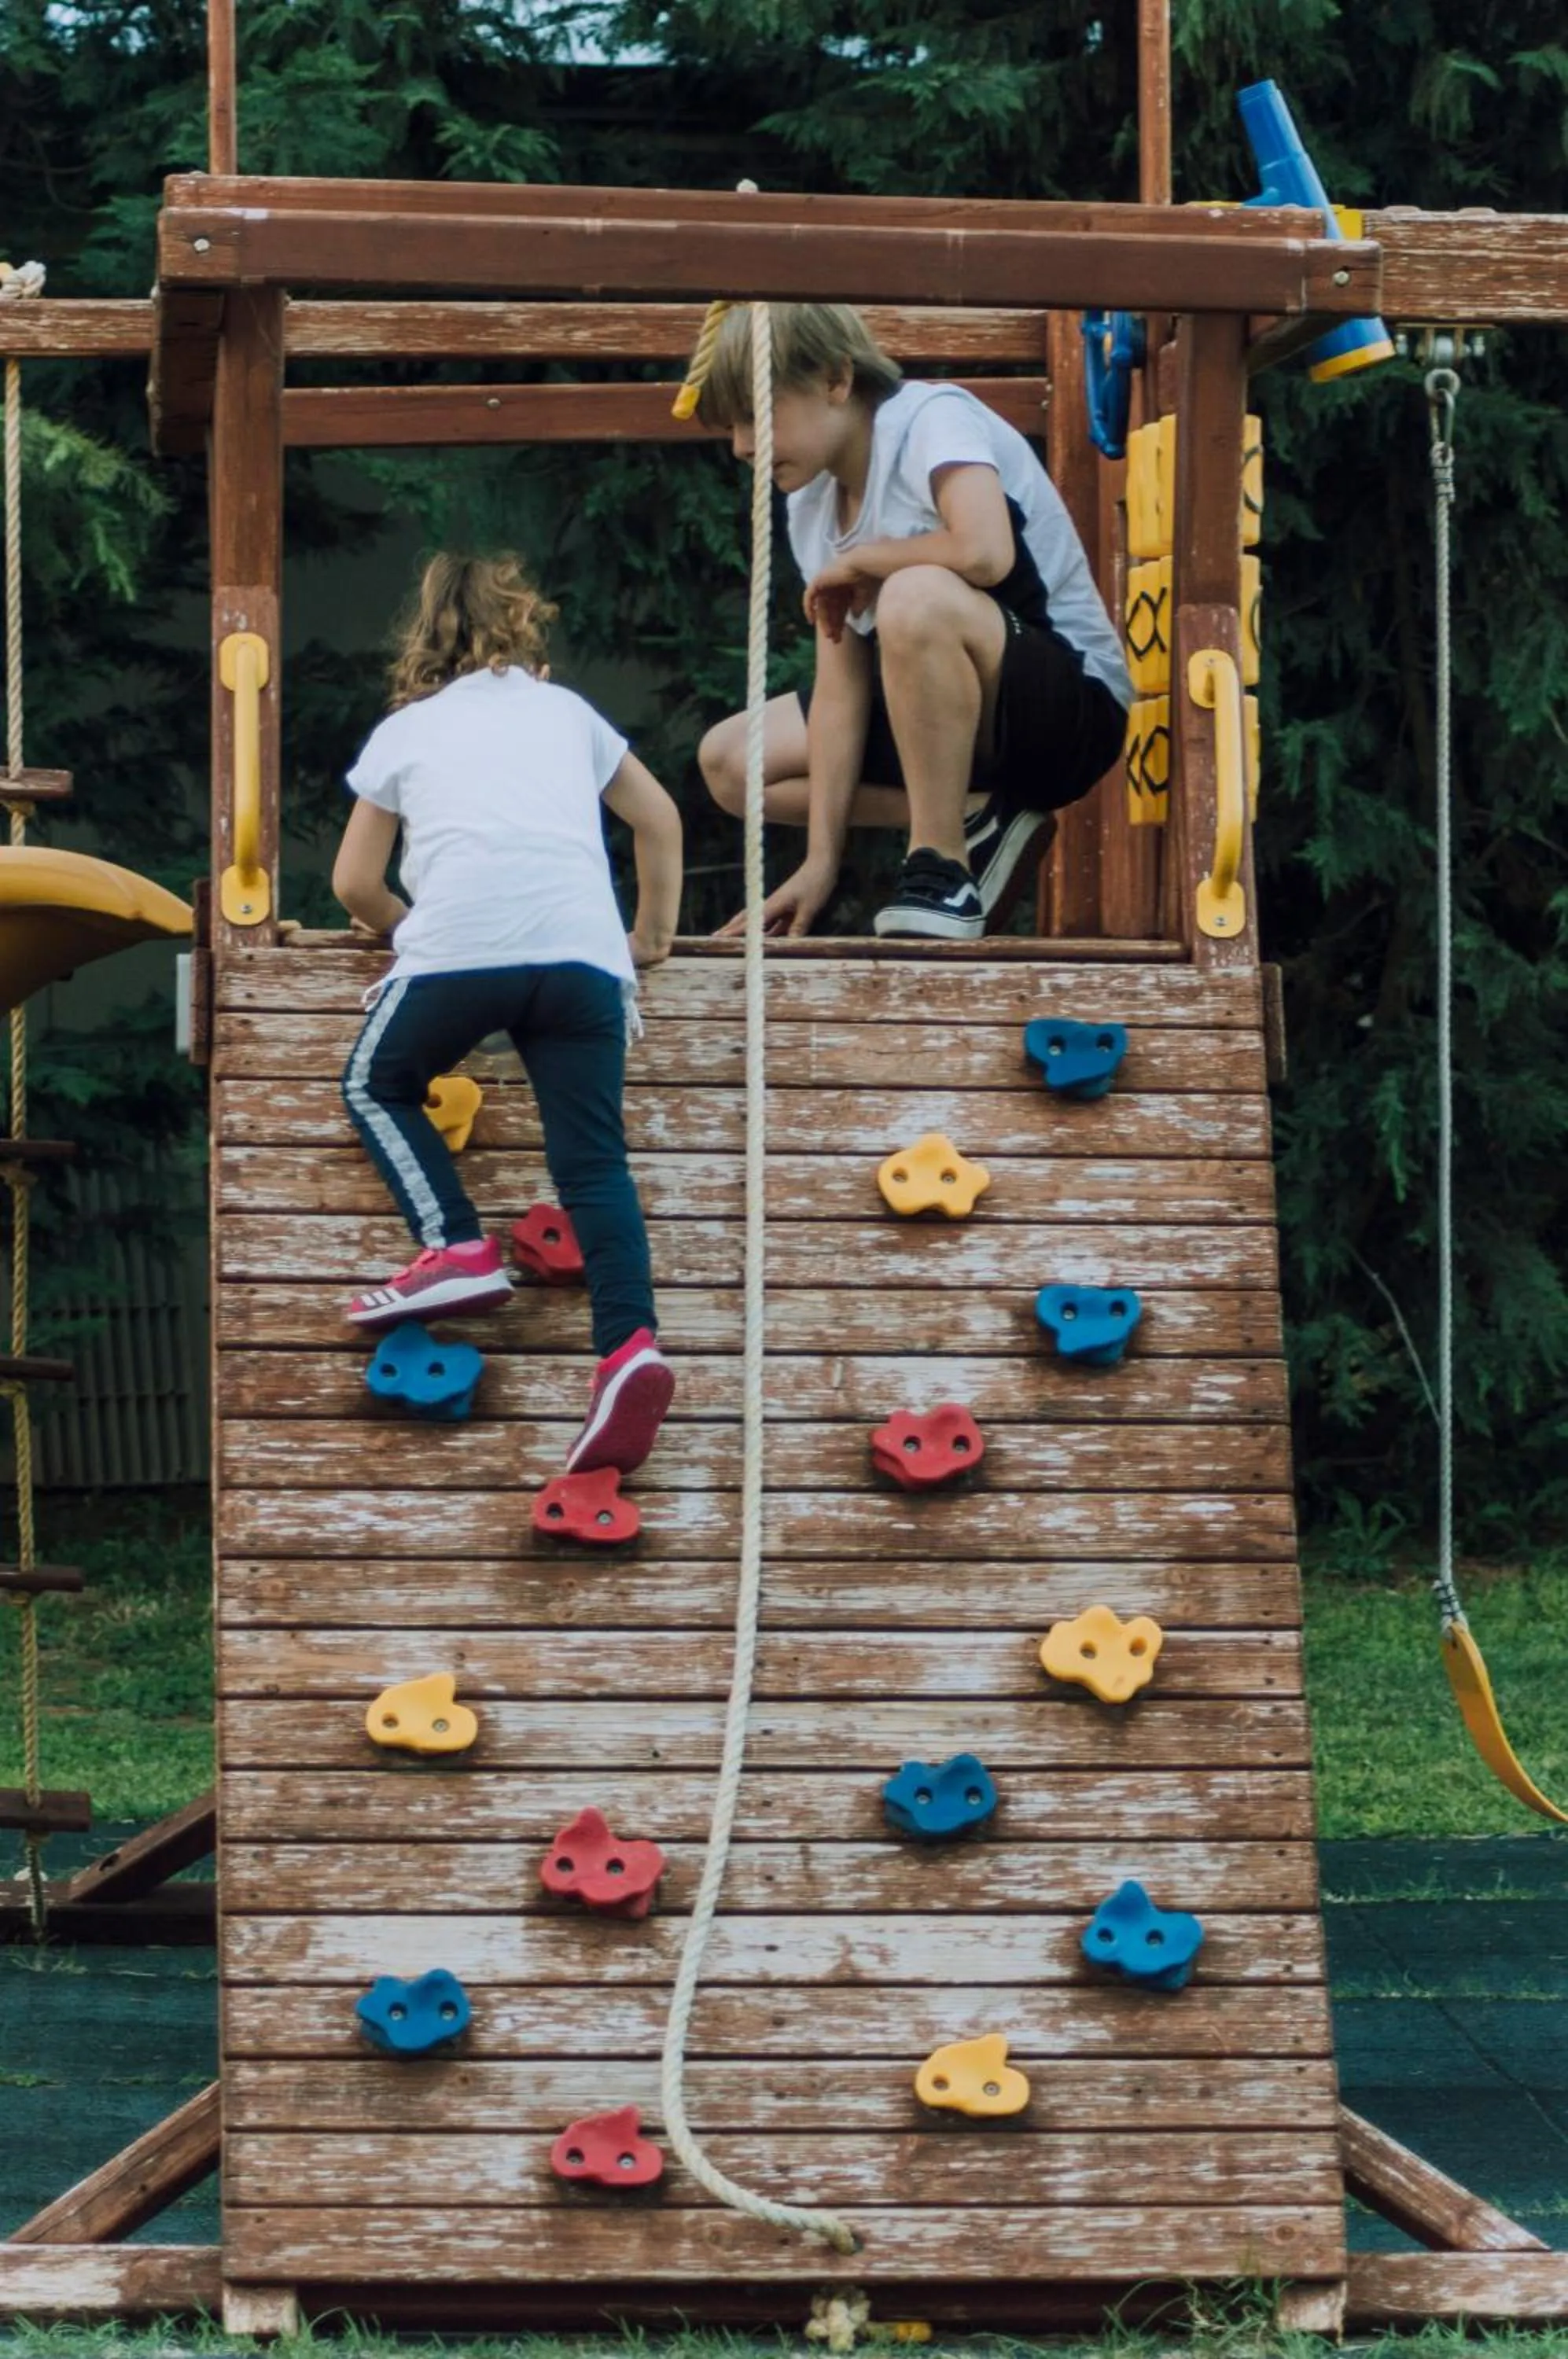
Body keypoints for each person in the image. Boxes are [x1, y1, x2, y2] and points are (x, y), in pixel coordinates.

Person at [331, 552, 683, 1478]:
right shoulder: (567, 712)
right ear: (528, 639)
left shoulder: (407, 729)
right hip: (582, 960)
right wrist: (647, 937)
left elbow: (354, 882)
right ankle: (628, 1347)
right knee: (593, 1163)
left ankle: (455, 1245)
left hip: (461, 952)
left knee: (374, 1082)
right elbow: (658, 820)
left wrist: (414, 932)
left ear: (426, 646)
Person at [695, 304, 1132, 940]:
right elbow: (841, 693)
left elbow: (985, 551)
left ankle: (941, 861)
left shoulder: (930, 420)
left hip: (1068, 710)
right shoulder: (811, 502)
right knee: (731, 761)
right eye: (733, 425)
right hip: (960, 726)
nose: (741, 445)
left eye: (757, 415)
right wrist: (821, 862)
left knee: (913, 595)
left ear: (836, 379)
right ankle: (980, 814)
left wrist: (867, 561)